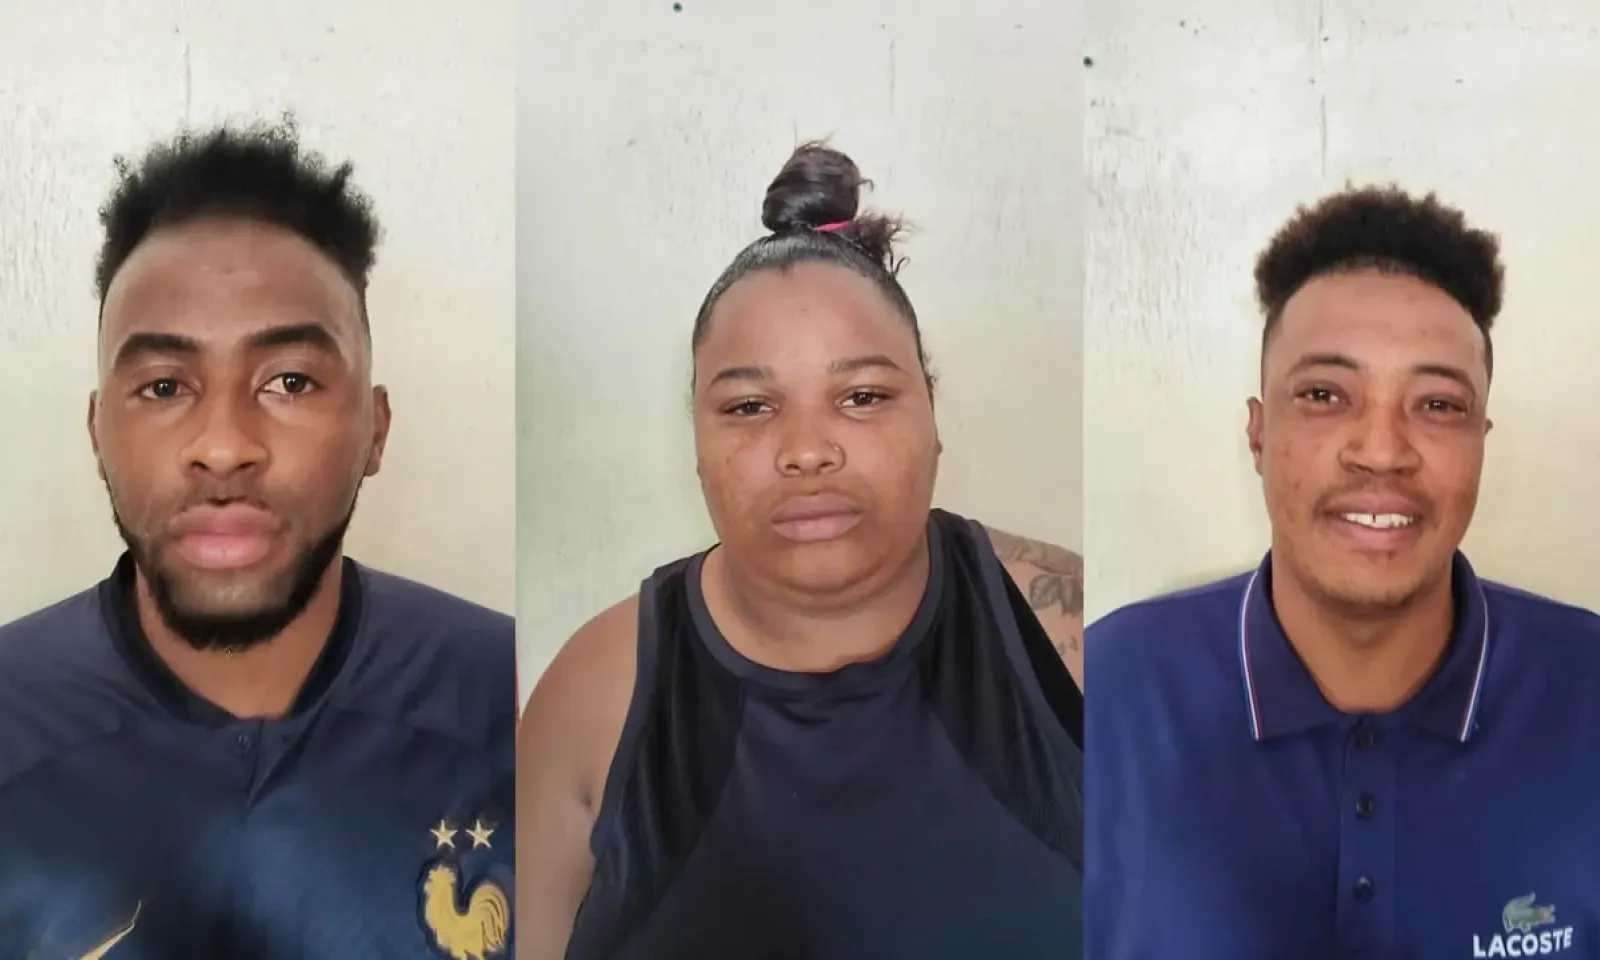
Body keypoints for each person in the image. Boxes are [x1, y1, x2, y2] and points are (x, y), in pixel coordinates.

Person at [517, 142, 1084, 960]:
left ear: (933, 413)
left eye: (863, 396)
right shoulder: (596, 695)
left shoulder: (1071, 637)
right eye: (750, 406)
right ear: (696, 438)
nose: (808, 450)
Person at [0, 121, 516, 959]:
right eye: (163, 386)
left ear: (376, 429)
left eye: (290, 381)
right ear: (98, 433)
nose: (224, 446)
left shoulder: (514, 705)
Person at [1085, 186, 1600, 959]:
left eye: (1438, 405)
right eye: (1325, 395)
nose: (1381, 451)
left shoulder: (1585, 688)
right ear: (1259, 434)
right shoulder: (1103, 697)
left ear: (1481, 442)